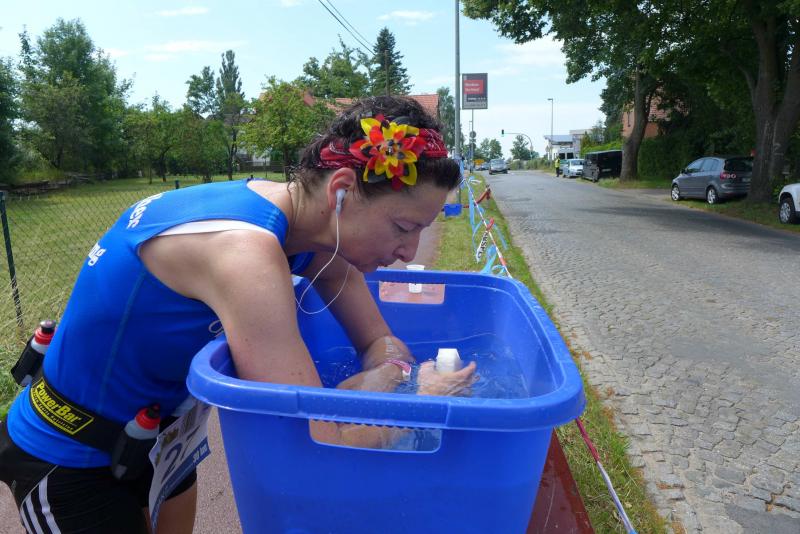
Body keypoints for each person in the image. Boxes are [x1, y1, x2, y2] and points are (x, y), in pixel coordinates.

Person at [0, 95, 477, 534]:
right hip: (71, 454)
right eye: (402, 226)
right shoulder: (244, 251)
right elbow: (319, 437)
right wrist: (425, 408)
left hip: (158, 441)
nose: (408, 251)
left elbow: (379, 342)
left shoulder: (308, 228)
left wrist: (389, 372)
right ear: (341, 190)